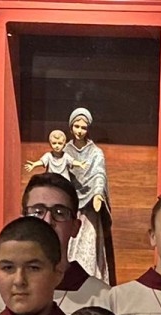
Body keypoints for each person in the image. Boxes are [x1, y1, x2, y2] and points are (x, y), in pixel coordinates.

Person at [0, 172, 110, 315]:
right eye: (38, 212)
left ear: (75, 226)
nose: (47, 221)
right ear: (23, 219)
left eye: (59, 213)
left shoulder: (103, 299)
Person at [63, 107, 114, 283]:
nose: (79, 131)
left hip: (90, 208)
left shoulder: (95, 152)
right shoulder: (65, 151)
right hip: (69, 208)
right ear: (70, 127)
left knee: (89, 247)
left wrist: (98, 194)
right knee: (69, 245)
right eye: (76, 126)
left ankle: (91, 283)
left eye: (83, 127)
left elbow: (99, 174)